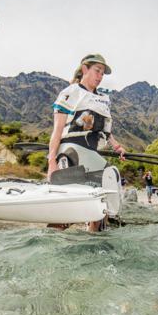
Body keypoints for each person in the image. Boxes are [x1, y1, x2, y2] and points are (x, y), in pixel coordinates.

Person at [47, 53, 126, 231]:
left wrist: (117, 146)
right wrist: (51, 162)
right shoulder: (70, 92)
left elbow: (106, 130)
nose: (100, 76)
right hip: (70, 150)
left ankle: (93, 240)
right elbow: (57, 130)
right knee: (67, 206)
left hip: (91, 153)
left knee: (108, 183)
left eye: (102, 74)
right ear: (85, 69)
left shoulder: (104, 99)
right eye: (97, 71)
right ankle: (52, 240)